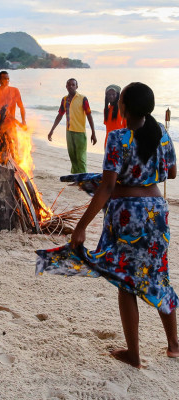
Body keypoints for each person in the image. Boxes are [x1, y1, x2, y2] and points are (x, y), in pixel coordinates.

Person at [37, 82, 179, 368]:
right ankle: (175, 345)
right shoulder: (162, 133)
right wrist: (141, 174)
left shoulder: (117, 137)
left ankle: (134, 355)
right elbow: (171, 173)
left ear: (122, 105)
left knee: (127, 282)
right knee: (158, 275)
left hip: (127, 215)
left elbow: (107, 187)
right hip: (156, 212)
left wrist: (81, 227)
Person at [48, 78, 97, 173]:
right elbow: (60, 115)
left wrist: (93, 133)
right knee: (72, 156)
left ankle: (83, 180)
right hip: (69, 132)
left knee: (81, 157)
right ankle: (75, 178)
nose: (71, 86)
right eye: (69, 84)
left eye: (73, 85)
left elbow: (89, 115)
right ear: (66, 87)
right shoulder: (64, 99)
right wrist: (52, 130)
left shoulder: (83, 98)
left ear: (76, 86)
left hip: (80, 132)